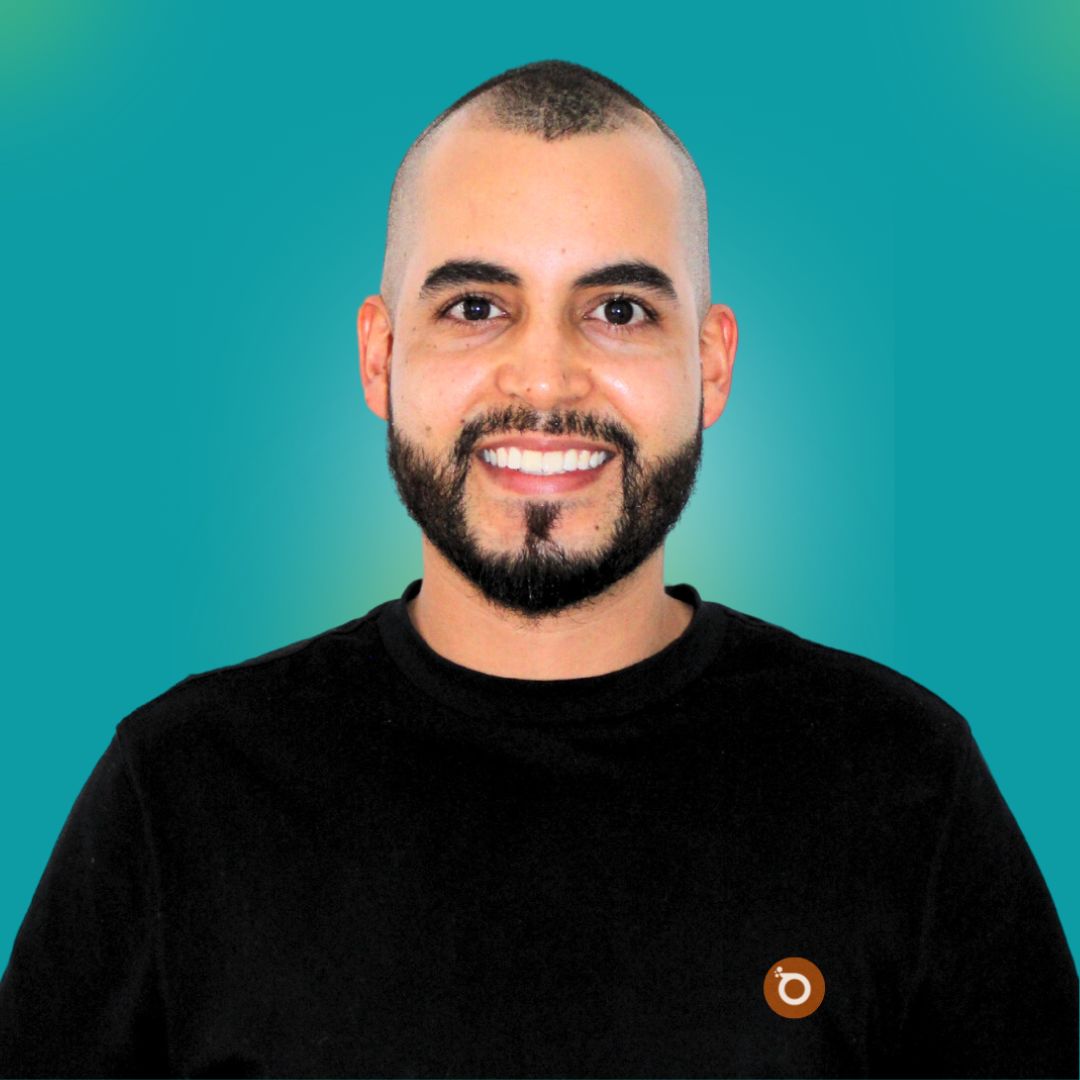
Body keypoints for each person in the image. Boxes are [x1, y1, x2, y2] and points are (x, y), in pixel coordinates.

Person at [0, 59, 1076, 1080]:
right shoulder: (180, 791)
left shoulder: (903, 780)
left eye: (619, 310)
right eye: (476, 306)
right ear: (380, 355)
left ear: (710, 364)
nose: (547, 380)